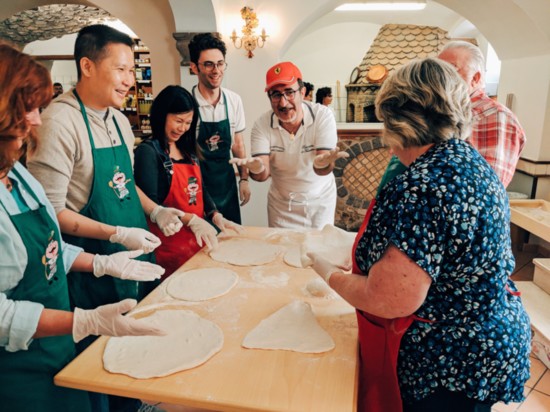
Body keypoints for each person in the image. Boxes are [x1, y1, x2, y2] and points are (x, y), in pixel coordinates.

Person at [306, 58, 531, 411]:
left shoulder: (420, 187)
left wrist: (330, 276)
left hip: (450, 362)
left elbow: (390, 300)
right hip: (488, 337)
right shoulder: (467, 162)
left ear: (401, 122)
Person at [0, 42, 166, 412]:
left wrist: (102, 262)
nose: (38, 119)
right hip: (18, 365)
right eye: (26, 108)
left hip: (56, 341)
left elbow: (48, 245)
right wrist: (82, 319)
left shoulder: (18, 175)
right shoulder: (64, 121)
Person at [135, 85, 242, 277]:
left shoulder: (188, 150)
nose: (183, 128)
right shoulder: (149, 152)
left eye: (188, 123)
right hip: (168, 248)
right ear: (162, 114)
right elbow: (151, 204)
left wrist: (215, 214)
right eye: (178, 121)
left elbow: (200, 188)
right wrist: (190, 219)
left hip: (195, 245)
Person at [231, 62, 348, 229]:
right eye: (276, 95)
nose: (283, 103)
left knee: (317, 251)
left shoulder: (322, 116)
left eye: (289, 92)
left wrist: (323, 163)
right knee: (283, 252)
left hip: (319, 202)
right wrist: (256, 169)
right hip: (282, 206)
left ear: (302, 92)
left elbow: (322, 169)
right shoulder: (262, 124)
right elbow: (262, 175)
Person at [438, 40, 526, 188]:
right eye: (438, 70)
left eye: (451, 70)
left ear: (475, 78)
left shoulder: (495, 116)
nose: (439, 77)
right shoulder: (444, 110)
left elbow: (486, 187)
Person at [188, 32, 250, 224]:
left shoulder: (233, 100)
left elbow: (238, 145)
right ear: (194, 67)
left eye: (220, 63)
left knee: (232, 240)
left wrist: (244, 180)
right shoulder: (187, 103)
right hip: (197, 186)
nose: (216, 70)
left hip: (227, 183)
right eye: (208, 64)